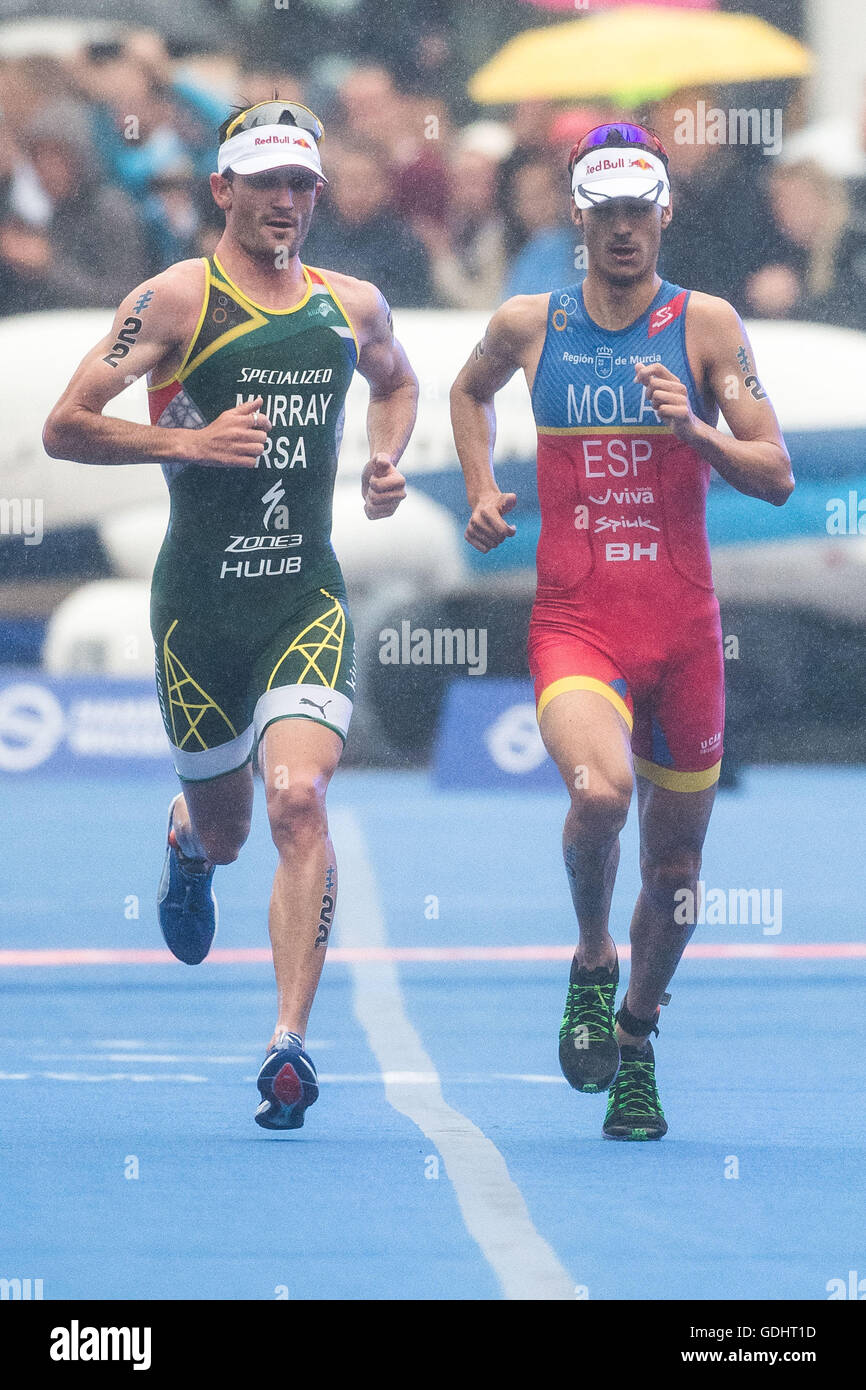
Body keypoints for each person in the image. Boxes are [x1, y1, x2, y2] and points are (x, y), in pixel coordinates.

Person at [43, 99, 418, 1130]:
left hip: (304, 593)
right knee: (231, 825)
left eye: (301, 185)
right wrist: (184, 443)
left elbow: (397, 382)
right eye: (263, 185)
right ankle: (187, 840)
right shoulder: (171, 301)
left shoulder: (353, 303)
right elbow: (65, 426)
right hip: (199, 610)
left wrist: (384, 462)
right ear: (222, 191)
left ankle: (288, 1042)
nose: (285, 204)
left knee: (299, 800)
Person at [450, 123, 793, 1141]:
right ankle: (593, 955)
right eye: (603, 211)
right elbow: (467, 392)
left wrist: (692, 428)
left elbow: (772, 472)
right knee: (597, 794)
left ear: (663, 214)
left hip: (683, 633)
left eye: (637, 210)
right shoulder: (526, 323)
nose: (621, 230)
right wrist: (479, 486)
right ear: (577, 215)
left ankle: (636, 1036)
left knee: (678, 875)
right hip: (576, 622)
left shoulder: (706, 328)